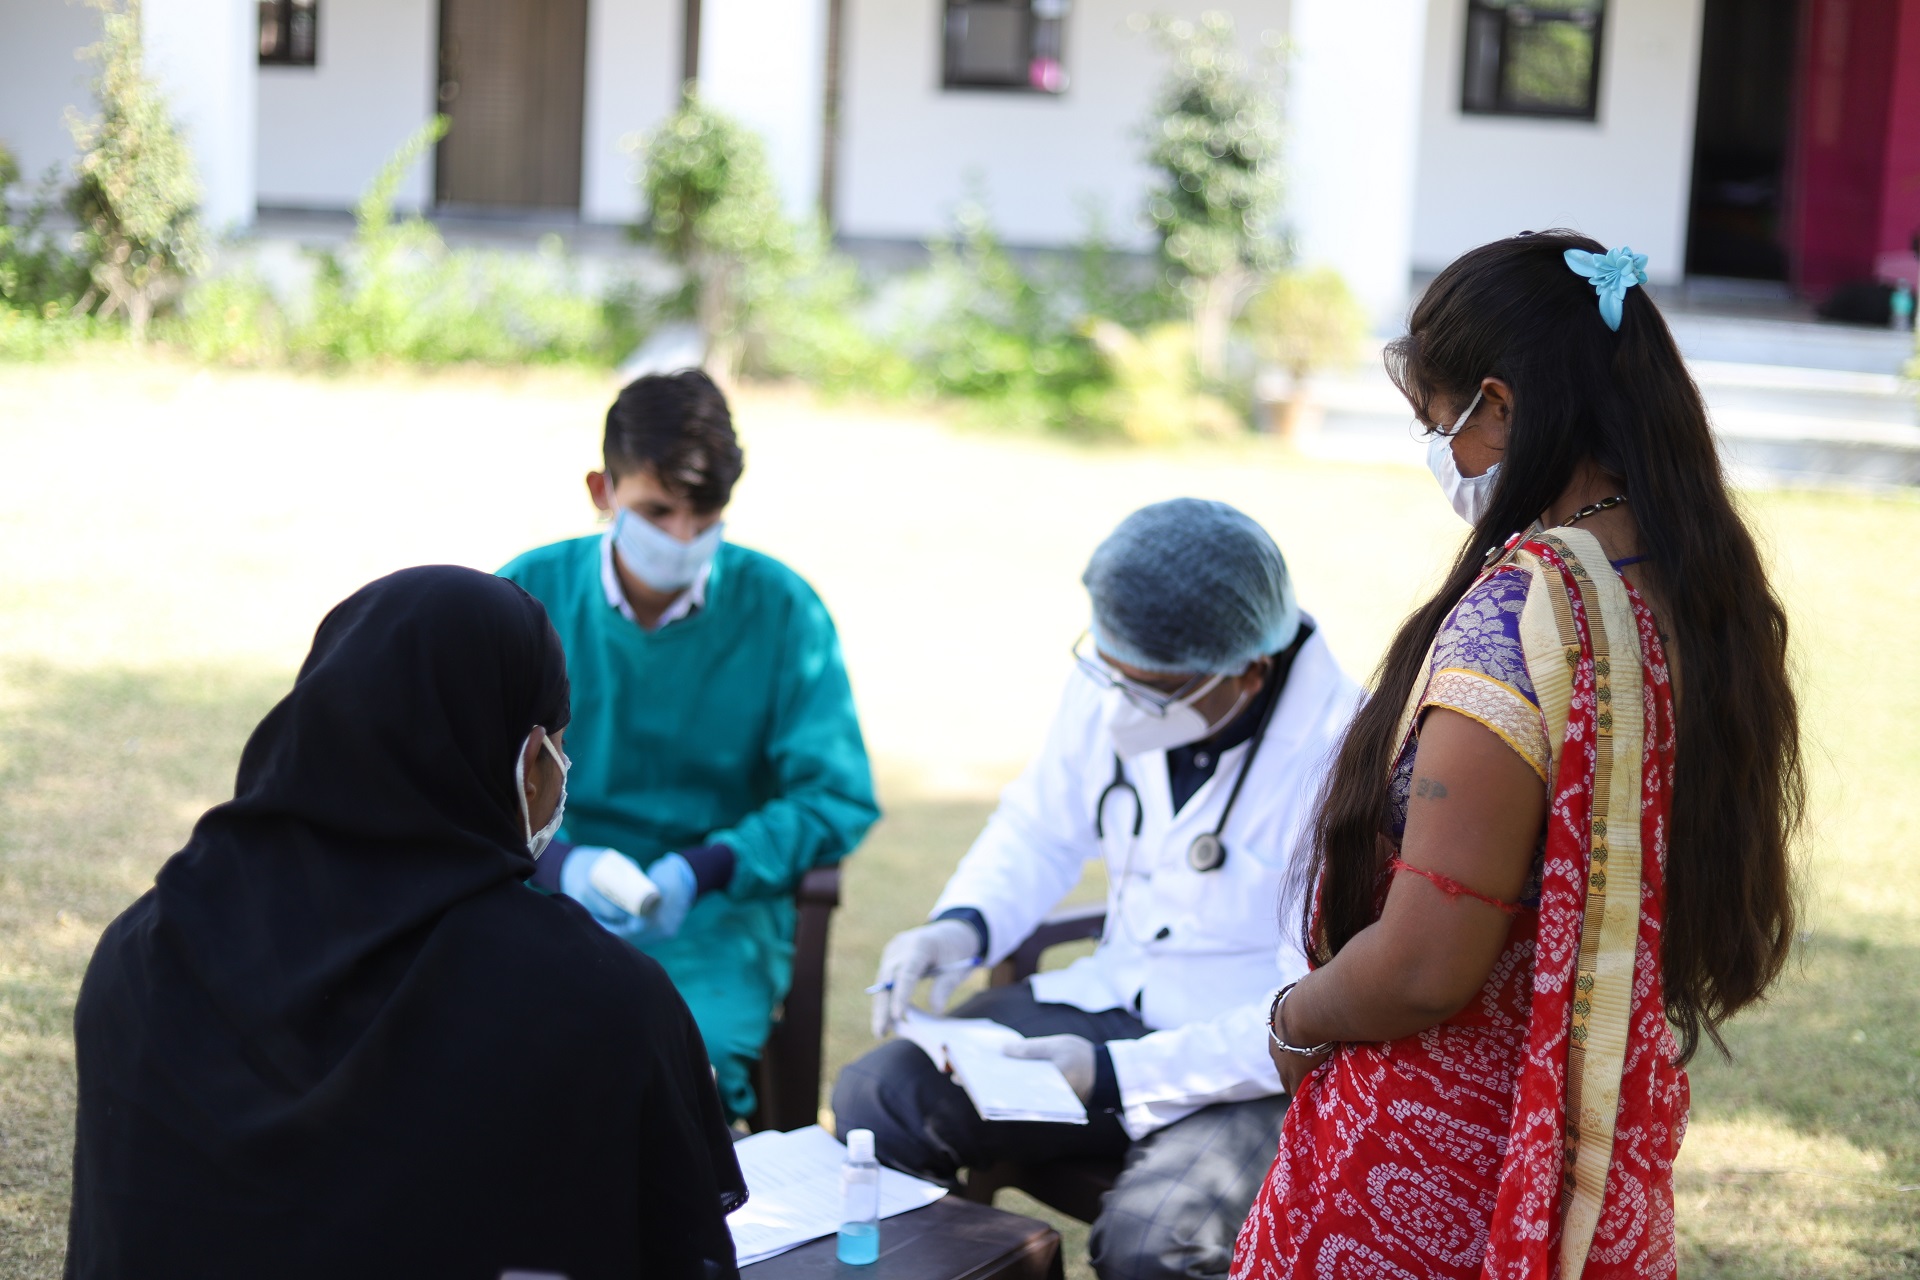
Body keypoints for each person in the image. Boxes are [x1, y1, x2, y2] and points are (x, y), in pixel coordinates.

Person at [1233, 233, 1803, 1279]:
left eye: (1438, 424)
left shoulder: (1525, 618)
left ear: (1497, 405)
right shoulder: (1698, 585)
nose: (1442, 457)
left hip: (1450, 1155)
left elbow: (1422, 965)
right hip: (1598, 1134)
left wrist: (1292, 1017)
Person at [66, 566, 744, 1280]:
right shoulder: (604, 1001)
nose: (559, 770)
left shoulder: (142, 954)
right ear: (528, 764)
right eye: (556, 745)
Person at [834, 499, 1362, 1280]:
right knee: (882, 1097)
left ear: (1246, 671)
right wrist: (959, 928)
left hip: (1249, 1060)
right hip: (1111, 1001)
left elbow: (1309, 1007)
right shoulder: (1128, 671)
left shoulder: (1344, 752)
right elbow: (1041, 826)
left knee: (1159, 1244)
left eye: (1147, 690)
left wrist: (1111, 1073)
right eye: (1111, 674)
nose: (1118, 704)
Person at [501, 369, 878, 1121]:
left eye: (705, 515)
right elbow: (459, 772)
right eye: (657, 509)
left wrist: (706, 869)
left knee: (675, 1071)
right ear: (600, 488)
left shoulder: (783, 609)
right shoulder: (523, 595)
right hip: (536, 896)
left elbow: (835, 794)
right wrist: (561, 860)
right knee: (500, 1053)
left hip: (717, 915)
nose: (681, 536)